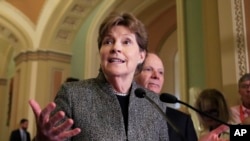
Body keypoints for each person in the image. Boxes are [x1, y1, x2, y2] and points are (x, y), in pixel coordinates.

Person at [29, 12, 169, 141]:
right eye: (108, 41)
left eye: (126, 42)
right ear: (101, 52)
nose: (116, 48)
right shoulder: (73, 95)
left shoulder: (155, 103)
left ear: (141, 55)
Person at [134, 52, 198, 141]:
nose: (156, 76)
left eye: (161, 72)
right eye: (148, 69)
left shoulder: (181, 122)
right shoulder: (119, 115)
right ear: (133, 75)